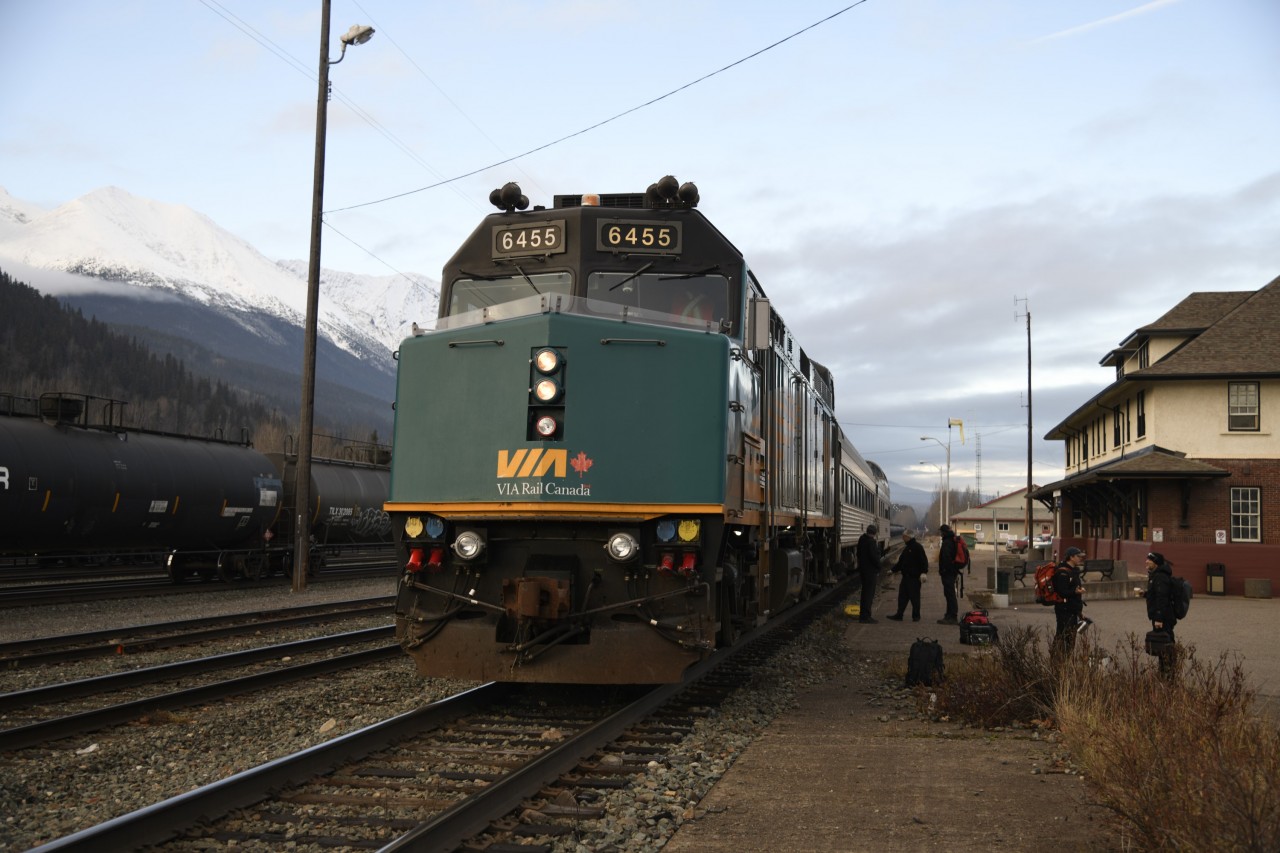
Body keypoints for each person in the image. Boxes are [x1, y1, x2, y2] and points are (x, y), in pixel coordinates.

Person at [1144, 551, 1179, 675]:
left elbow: (1162, 598)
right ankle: (1164, 670)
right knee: (1161, 643)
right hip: (1162, 616)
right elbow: (1158, 594)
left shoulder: (1160, 577)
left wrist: (1159, 618)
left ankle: (1168, 672)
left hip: (1164, 617)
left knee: (1166, 643)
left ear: (1156, 563)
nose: (1146, 561)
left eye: (1150, 560)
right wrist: (1146, 594)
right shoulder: (1156, 575)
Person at [1052, 546, 1087, 655]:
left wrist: (1079, 612)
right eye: (1078, 556)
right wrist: (1075, 592)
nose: (1080, 559)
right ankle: (1058, 661)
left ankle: (1066, 663)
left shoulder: (1074, 571)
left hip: (1073, 610)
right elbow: (1062, 592)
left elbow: (1073, 592)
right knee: (1063, 637)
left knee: (1071, 638)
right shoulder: (1063, 572)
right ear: (1071, 557)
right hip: (1064, 610)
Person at [887, 528, 927, 622]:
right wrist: (892, 570)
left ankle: (916, 616)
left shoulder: (917, 547)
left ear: (908, 537)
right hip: (905, 577)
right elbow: (901, 563)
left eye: (904, 536)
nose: (902, 538)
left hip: (914, 578)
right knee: (902, 597)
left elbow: (924, 561)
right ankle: (899, 614)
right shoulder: (907, 548)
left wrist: (924, 572)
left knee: (915, 598)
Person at [856, 524, 881, 623]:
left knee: (864, 593)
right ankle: (866, 616)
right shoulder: (871, 542)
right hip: (870, 572)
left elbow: (858, 554)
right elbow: (874, 557)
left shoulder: (861, 539)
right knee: (869, 594)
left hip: (863, 570)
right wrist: (879, 566)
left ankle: (863, 615)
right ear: (874, 533)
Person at [936, 524, 961, 624]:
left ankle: (952, 617)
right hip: (952, 572)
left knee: (950, 594)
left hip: (948, 573)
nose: (940, 534)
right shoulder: (952, 540)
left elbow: (946, 558)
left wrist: (944, 570)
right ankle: (948, 615)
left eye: (941, 532)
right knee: (949, 594)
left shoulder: (947, 543)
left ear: (944, 532)